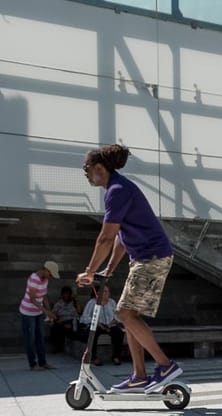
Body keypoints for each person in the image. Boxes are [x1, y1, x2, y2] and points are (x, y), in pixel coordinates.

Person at [76, 143, 182, 393]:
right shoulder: (118, 188)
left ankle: (166, 366)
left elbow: (104, 237)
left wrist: (90, 271)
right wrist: (108, 270)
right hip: (145, 258)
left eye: (86, 168)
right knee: (129, 317)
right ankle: (139, 376)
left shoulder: (117, 190)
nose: (85, 173)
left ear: (99, 167)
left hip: (151, 257)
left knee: (124, 314)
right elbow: (120, 238)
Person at [19, 260, 59, 370]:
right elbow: (32, 299)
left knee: (40, 338)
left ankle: (43, 362)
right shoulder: (33, 279)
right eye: (50, 274)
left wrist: (49, 311)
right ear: (46, 270)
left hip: (38, 313)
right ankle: (33, 364)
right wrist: (46, 311)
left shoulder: (44, 280)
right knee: (30, 339)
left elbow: (44, 296)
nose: (50, 277)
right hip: (27, 312)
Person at [80, 285, 125, 366]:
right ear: (98, 293)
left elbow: (117, 315)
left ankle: (116, 357)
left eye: (107, 291)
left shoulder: (112, 302)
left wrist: (112, 323)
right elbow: (85, 317)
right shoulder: (92, 302)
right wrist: (97, 323)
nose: (107, 293)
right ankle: (94, 358)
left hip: (110, 324)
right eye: (105, 291)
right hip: (97, 325)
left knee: (119, 333)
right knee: (92, 334)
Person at [51, 285, 81, 353]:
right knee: (55, 327)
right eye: (65, 294)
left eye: (68, 294)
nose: (66, 296)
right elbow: (53, 314)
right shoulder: (59, 303)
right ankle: (57, 347)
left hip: (73, 320)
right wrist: (59, 321)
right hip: (62, 321)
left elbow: (79, 311)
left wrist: (76, 300)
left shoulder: (74, 302)